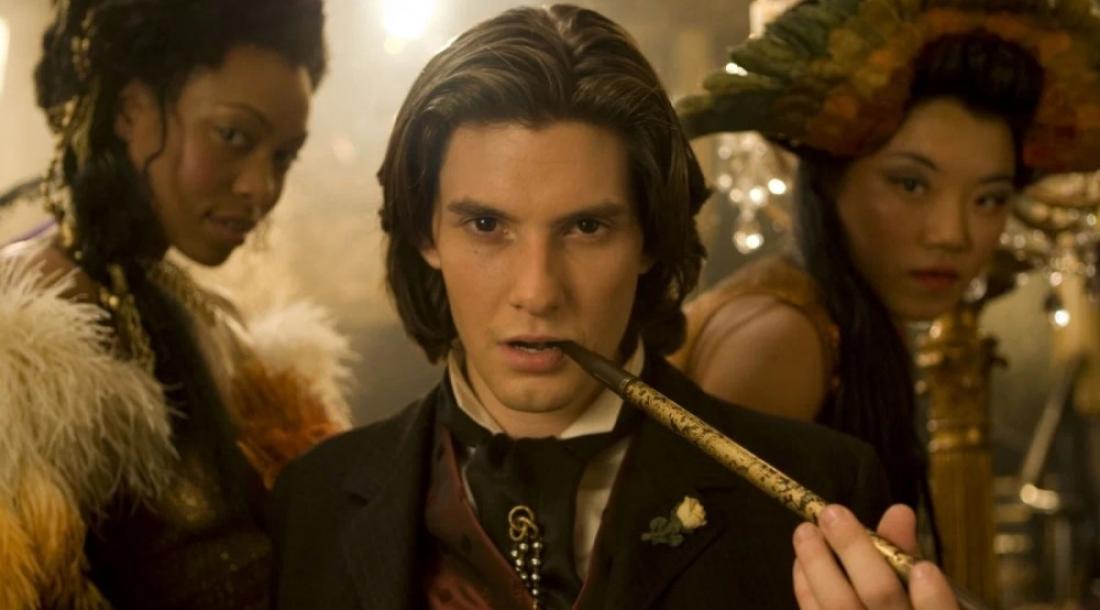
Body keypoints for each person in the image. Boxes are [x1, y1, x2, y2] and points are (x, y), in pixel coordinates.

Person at [271, 5, 953, 609]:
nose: (538, 291)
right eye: (486, 225)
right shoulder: (312, 503)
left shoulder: (824, 487)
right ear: (426, 234)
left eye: (587, 227)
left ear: (651, 239)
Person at [671, 0, 1100, 528]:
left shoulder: (846, 324)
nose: (953, 234)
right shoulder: (785, 340)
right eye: (911, 184)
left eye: (989, 198)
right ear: (830, 180)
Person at [0, 1, 352, 608]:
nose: (261, 187)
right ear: (130, 110)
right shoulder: (19, 342)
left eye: (283, 156)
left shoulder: (218, 324)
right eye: (233, 136)